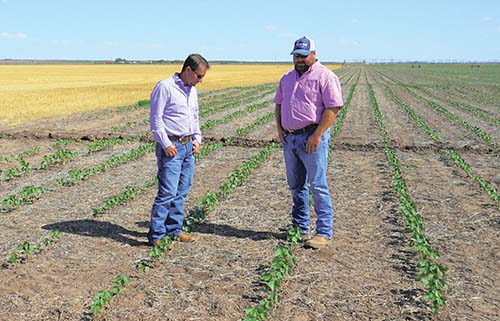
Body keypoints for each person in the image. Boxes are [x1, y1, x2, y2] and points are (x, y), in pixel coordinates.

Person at [274, 36, 343, 249]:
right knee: (296, 186)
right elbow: (278, 104)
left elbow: (333, 108)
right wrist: (280, 130)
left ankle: (323, 232)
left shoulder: (325, 76)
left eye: (304, 56)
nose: (300, 60)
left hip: (312, 137)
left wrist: (317, 135)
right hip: (290, 138)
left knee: (318, 185)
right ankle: (300, 228)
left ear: (313, 54)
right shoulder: (287, 78)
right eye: (296, 56)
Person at [148, 54, 209, 246]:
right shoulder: (165, 87)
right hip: (172, 147)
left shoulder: (192, 91)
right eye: (199, 76)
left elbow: (195, 117)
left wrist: (197, 138)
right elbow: (156, 120)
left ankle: (174, 229)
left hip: (188, 146)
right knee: (167, 192)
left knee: (182, 191)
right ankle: (156, 234)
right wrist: (166, 144)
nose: (201, 80)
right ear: (188, 70)